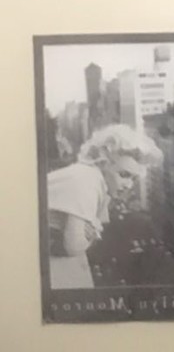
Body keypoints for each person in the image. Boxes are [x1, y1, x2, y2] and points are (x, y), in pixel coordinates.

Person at [46, 124, 161, 290]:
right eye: (124, 175)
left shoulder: (96, 182)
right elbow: (73, 246)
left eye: (133, 179)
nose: (128, 185)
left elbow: (83, 241)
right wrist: (92, 232)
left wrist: (90, 232)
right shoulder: (87, 180)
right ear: (103, 163)